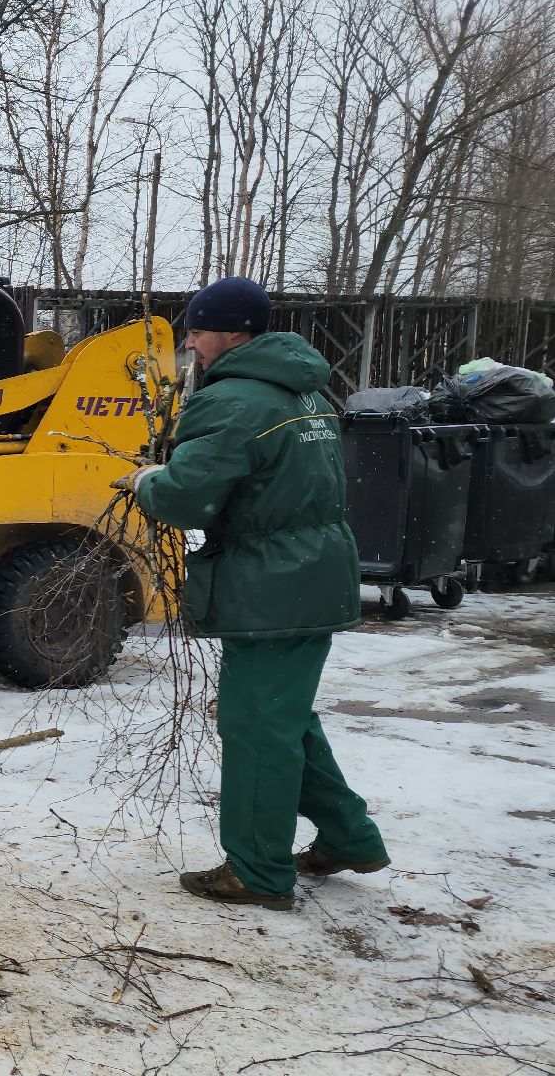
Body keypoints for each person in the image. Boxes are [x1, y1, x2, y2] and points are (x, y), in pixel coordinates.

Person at [125, 276, 390, 910]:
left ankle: (256, 872)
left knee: (256, 728)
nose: (190, 343)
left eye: (197, 330)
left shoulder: (233, 401)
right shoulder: (306, 389)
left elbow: (186, 498)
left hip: (271, 584)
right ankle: (349, 837)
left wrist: (146, 481)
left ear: (232, 334)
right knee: (281, 716)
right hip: (313, 573)